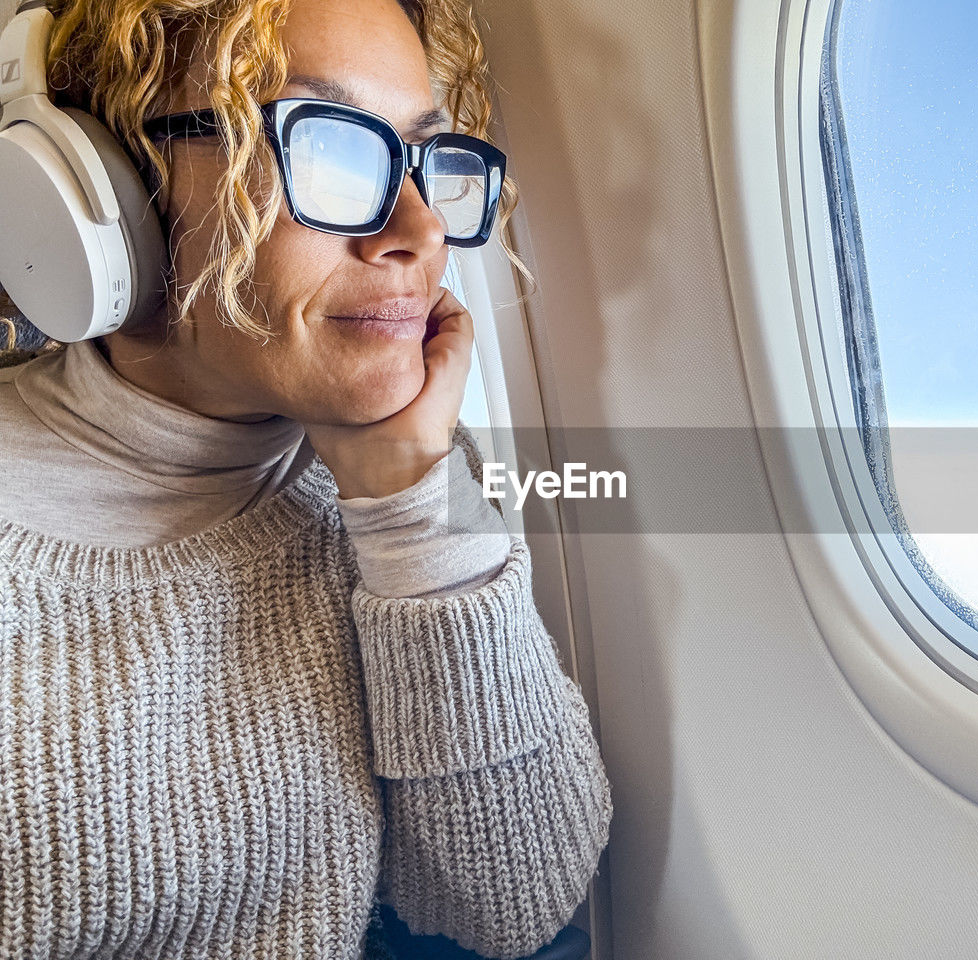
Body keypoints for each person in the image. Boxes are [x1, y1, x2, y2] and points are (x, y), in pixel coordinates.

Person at [0, 0, 613, 957]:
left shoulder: (411, 479)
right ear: (113, 187)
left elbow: (513, 907)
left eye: (423, 160)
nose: (418, 231)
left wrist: (409, 507)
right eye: (330, 150)